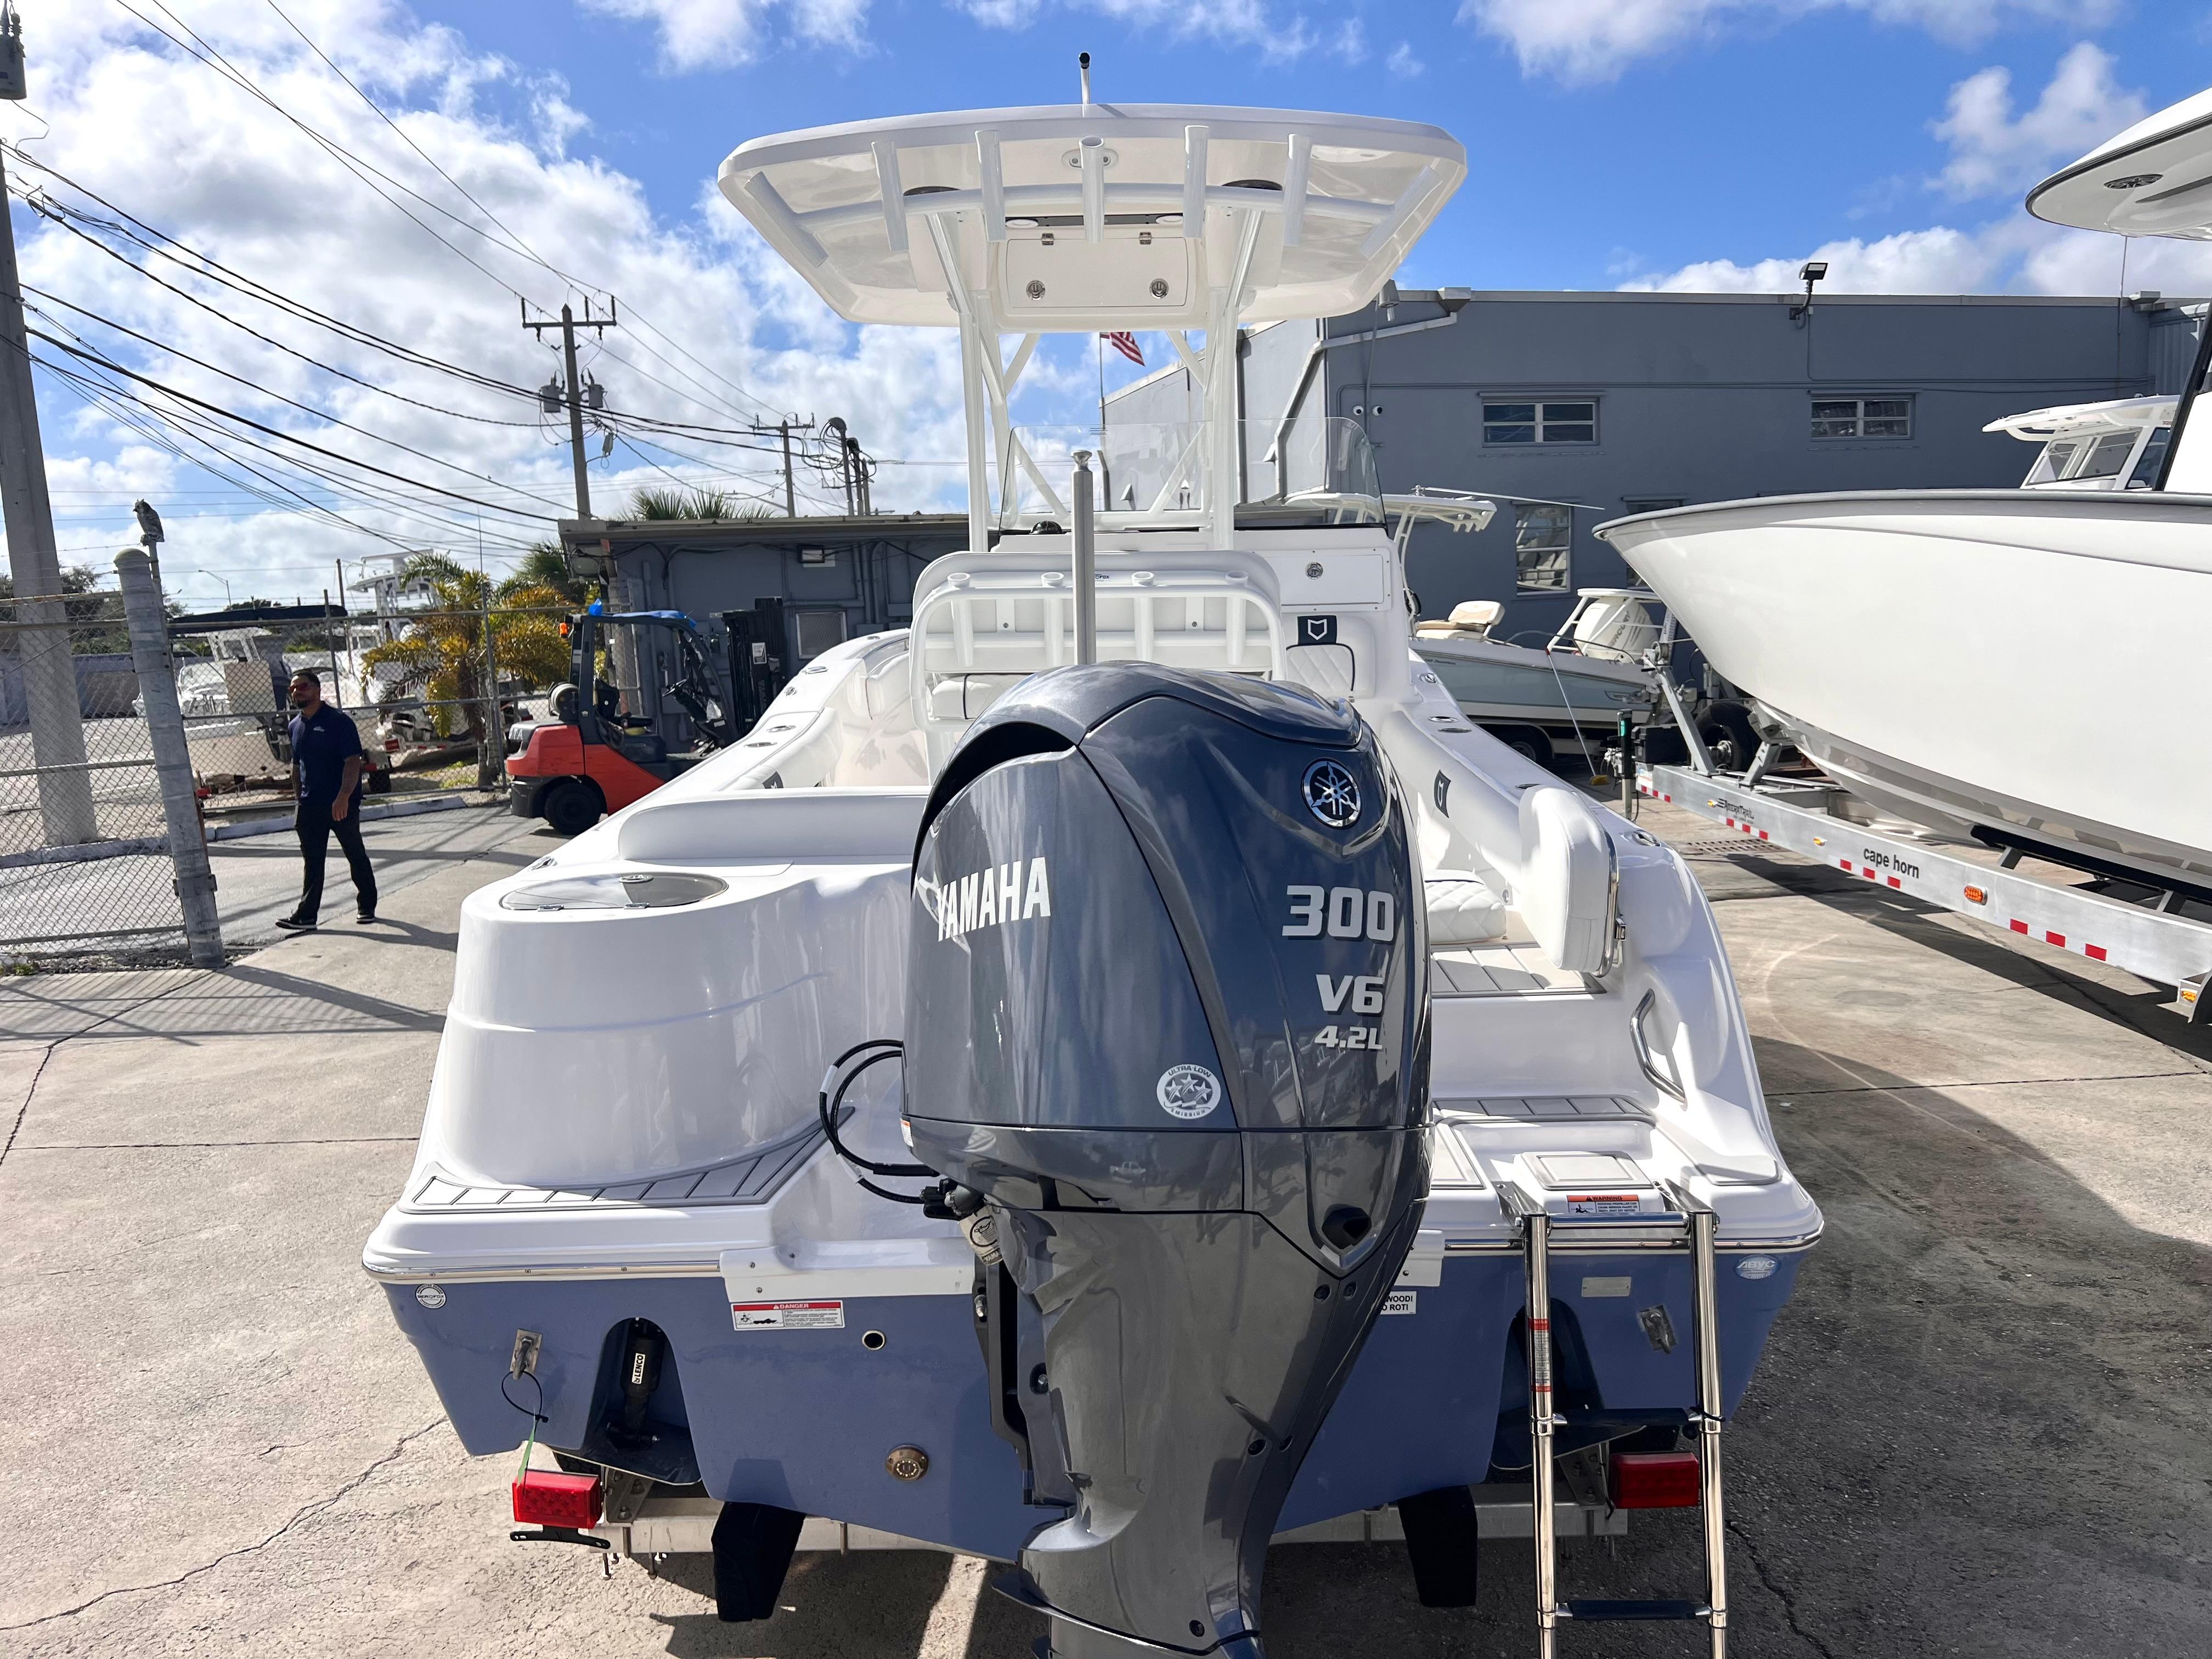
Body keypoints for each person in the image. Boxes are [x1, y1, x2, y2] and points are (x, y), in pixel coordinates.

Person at [276, 669, 378, 930]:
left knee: (355, 854)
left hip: (340, 804)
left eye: (304, 687)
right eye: (294, 688)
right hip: (310, 806)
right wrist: (299, 798)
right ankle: (307, 916)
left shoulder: (339, 722)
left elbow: (353, 762)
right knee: (313, 861)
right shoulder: (295, 726)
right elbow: (296, 766)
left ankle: (367, 905)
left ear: (318, 690)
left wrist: (344, 796)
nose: (298, 692)